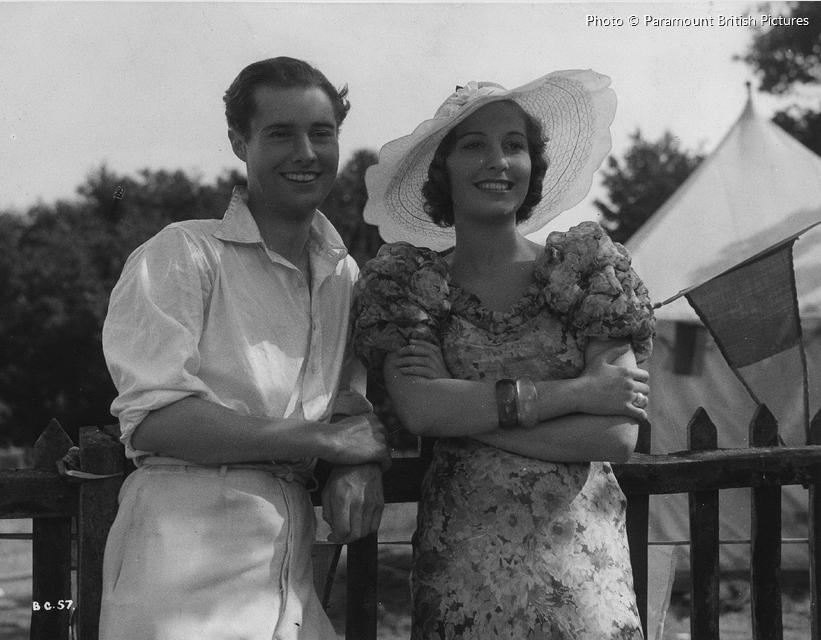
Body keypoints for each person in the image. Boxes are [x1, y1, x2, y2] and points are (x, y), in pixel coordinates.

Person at [352, 71, 655, 639]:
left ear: (532, 166)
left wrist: (464, 414)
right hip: (464, 577)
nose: (498, 161)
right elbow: (420, 413)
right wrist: (578, 394)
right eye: (475, 145)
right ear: (442, 171)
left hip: (582, 575)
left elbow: (614, 438)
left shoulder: (587, 269)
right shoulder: (409, 285)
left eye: (514, 145)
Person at [99, 57, 389, 640]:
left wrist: (357, 460)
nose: (305, 152)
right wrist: (317, 440)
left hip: (288, 563)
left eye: (322, 133)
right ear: (239, 141)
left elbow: (348, 403)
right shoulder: (182, 253)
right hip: (182, 554)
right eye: (280, 133)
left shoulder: (344, 275)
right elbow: (156, 419)